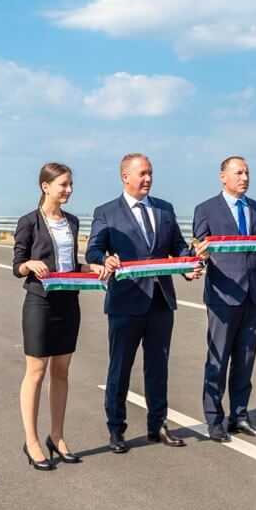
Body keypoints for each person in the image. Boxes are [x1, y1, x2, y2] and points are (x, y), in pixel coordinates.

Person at [85, 153, 205, 452]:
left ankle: (157, 425)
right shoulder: (106, 212)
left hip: (161, 301)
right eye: (142, 174)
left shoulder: (164, 209)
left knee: (158, 368)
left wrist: (188, 265)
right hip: (125, 302)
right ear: (125, 176)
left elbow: (178, 247)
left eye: (150, 173)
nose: (148, 178)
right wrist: (104, 260)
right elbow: (93, 251)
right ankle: (116, 430)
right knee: (120, 369)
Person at [13, 162, 109, 470]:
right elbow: (17, 266)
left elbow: (69, 265)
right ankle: (31, 442)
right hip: (40, 304)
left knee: (62, 371)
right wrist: (29, 264)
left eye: (70, 184)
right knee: (36, 372)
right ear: (46, 186)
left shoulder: (72, 222)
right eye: (63, 184)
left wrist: (92, 268)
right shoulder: (28, 222)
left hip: (69, 302)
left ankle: (57, 437)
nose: (69, 190)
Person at [192, 156, 256, 441]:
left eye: (247, 173)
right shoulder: (206, 209)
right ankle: (214, 418)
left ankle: (240, 415)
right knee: (218, 359)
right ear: (223, 176)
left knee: (245, 360)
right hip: (223, 296)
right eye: (238, 173)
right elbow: (198, 249)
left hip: (254, 295)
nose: (244, 178)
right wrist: (198, 257)